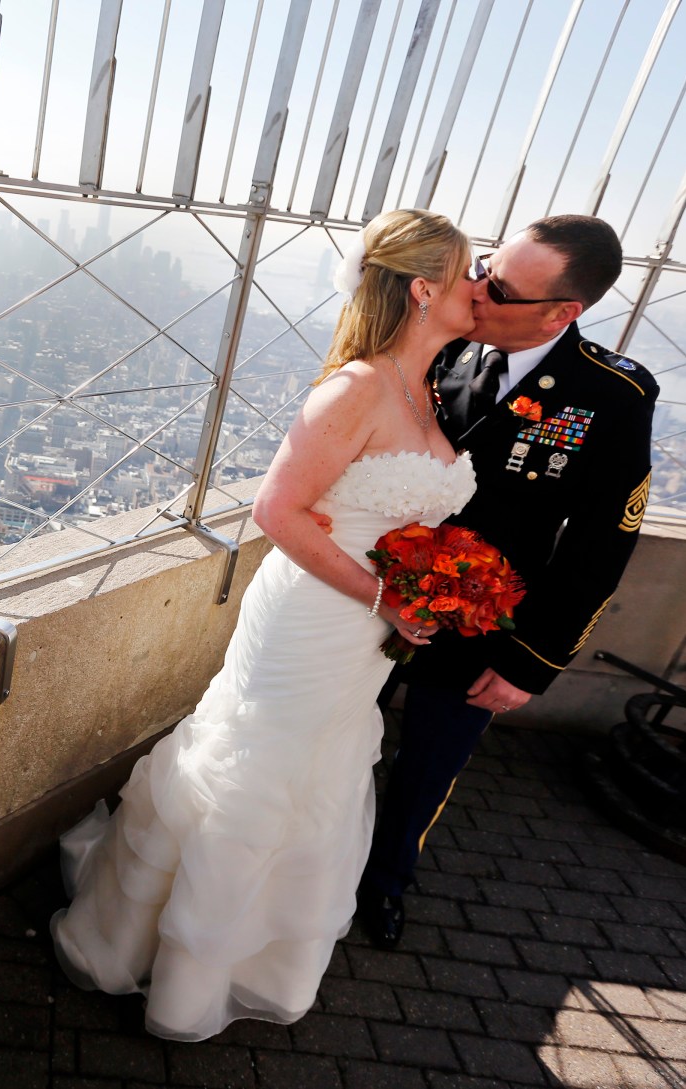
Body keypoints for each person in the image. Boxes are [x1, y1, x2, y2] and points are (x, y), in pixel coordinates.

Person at [50, 209, 478, 1041]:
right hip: (314, 618)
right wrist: (384, 597)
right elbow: (276, 511)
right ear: (424, 289)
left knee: (321, 772)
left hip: (363, 636)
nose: (479, 288)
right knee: (256, 771)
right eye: (467, 274)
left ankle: (252, 955)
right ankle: (171, 967)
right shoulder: (356, 387)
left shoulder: (426, 385)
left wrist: (429, 584)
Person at [358, 215, 658, 949]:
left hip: (485, 623)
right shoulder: (442, 343)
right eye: (485, 269)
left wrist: (534, 662)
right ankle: (320, 860)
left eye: (499, 288)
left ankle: (385, 882)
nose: (477, 290)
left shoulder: (612, 394)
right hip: (374, 597)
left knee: (428, 766)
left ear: (561, 313)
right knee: (340, 737)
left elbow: (600, 546)